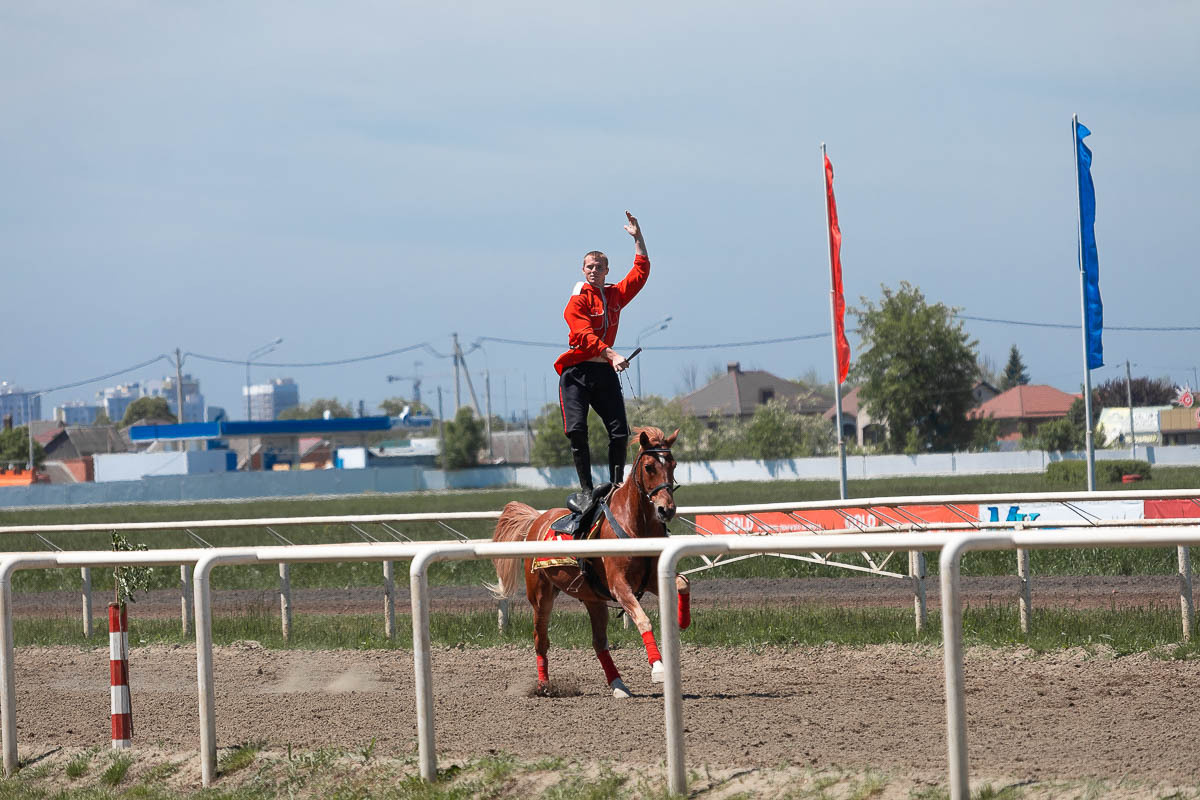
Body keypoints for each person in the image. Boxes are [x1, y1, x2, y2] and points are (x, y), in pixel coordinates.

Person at [553, 211, 649, 508]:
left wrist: (638, 238)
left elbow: (640, 273)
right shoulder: (577, 300)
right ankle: (585, 489)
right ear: (583, 270)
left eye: (599, 267)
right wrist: (611, 353)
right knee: (577, 431)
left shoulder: (615, 294)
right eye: (589, 267)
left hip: (604, 373)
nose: (594, 271)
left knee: (619, 432)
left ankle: (616, 486)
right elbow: (583, 335)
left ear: (607, 270)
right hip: (576, 374)